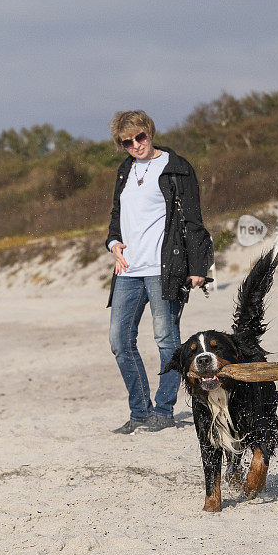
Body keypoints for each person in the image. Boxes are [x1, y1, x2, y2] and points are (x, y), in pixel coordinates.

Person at [105, 110, 212, 433]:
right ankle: (139, 411)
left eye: (140, 137)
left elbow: (193, 220)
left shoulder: (176, 168)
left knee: (167, 340)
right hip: (128, 269)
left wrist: (199, 268)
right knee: (119, 340)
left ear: (149, 132)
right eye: (127, 142)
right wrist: (113, 243)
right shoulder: (125, 170)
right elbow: (117, 214)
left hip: (165, 268)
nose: (136, 145)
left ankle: (163, 410)